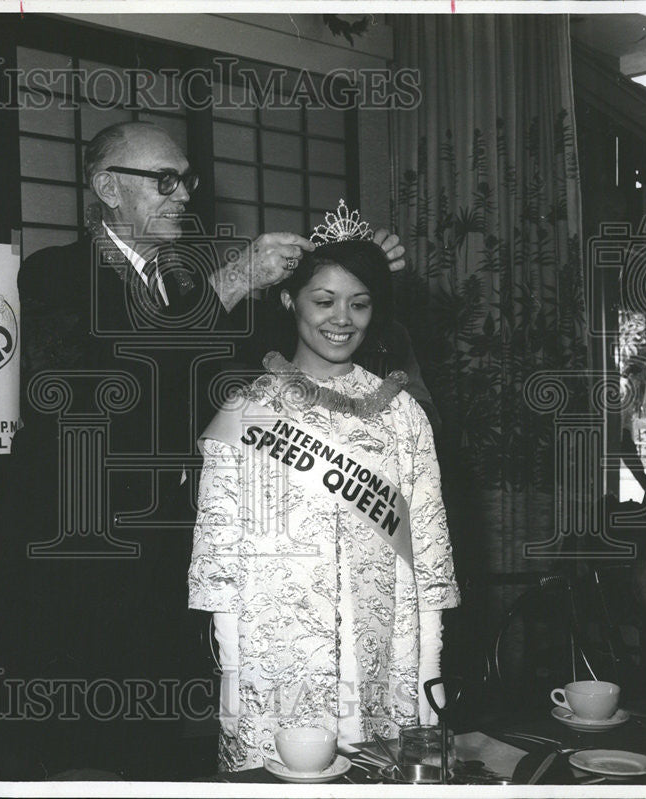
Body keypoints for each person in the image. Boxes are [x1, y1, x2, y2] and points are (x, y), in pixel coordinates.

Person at [0, 121, 409, 779]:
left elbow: (270, 370)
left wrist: (365, 266)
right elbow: (102, 391)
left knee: (155, 756)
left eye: (185, 179)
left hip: (159, 567)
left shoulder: (177, 291)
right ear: (106, 187)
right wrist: (232, 280)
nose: (184, 193)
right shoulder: (56, 275)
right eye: (164, 180)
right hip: (77, 571)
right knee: (80, 759)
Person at [188, 236, 460, 772]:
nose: (342, 319)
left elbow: (427, 552)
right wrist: (238, 679)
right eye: (323, 300)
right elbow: (218, 563)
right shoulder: (246, 411)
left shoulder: (402, 414)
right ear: (289, 300)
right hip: (277, 663)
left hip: (386, 658)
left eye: (359, 303)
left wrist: (430, 673)